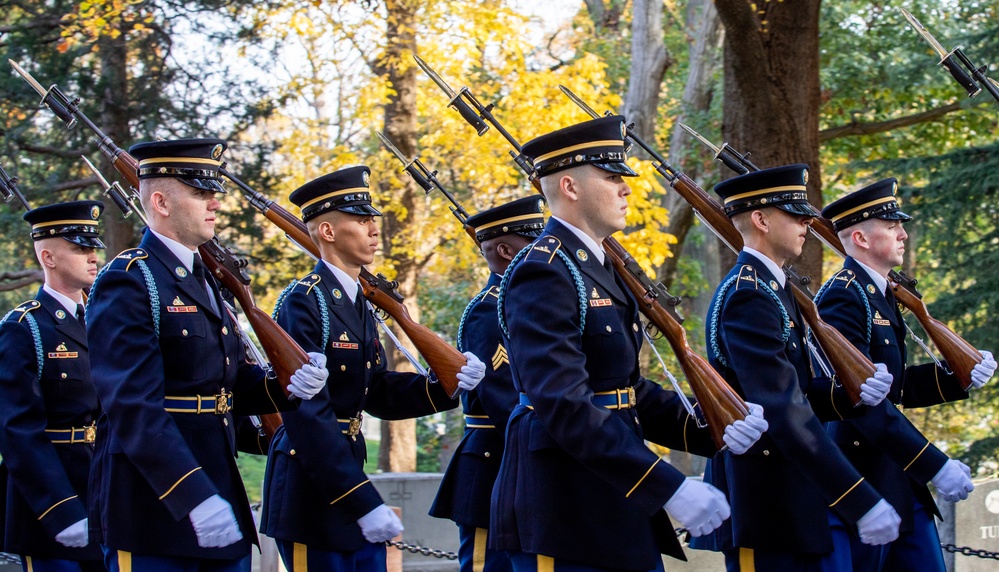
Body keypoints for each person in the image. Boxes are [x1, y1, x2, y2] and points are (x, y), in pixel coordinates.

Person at [490, 116, 768, 572]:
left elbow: (625, 390)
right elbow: (562, 403)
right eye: (612, 177)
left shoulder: (598, 267)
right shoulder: (544, 269)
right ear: (570, 187)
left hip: (615, 495)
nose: (625, 189)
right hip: (565, 507)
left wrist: (712, 425)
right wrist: (667, 486)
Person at [86, 138, 329, 571]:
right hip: (155, 506)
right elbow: (130, 405)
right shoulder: (128, 279)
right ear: (159, 201)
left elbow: (227, 384)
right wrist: (191, 494)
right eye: (200, 192)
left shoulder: (209, 282)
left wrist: (287, 385)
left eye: (214, 191)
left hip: (219, 489)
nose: (215, 202)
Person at [690, 164, 917, 571]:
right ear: (760, 219)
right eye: (795, 214)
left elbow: (802, 389)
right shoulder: (749, 294)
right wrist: (857, 498)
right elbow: (780, 404)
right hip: (763, 499)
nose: (807, 222)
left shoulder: (773, 289)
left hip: (792, 495)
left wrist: (850, 394)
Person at [259, 165, 486, 572]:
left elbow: (376, 391)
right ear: (327, 232)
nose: (373, 230)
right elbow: (306, 414)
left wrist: (443, 387)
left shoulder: (358, 301)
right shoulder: (304, 301)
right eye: (361, 221)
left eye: (372, 220)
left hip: (349, 475)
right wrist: (359, 499)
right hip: (312, 491)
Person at [816, 178, 997, 571]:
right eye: (892, 226)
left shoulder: (880, 292)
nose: (903, 233)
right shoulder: (844, 294)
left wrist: (956, 376)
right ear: (861, 239)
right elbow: (859, 400)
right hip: (864, 480)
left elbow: (893, 386)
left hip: (898, 475)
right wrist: (933, 463)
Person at [429, 196, 546, 572]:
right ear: (505, 250)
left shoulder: (530, 302)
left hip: (522, 461)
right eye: (534, 242)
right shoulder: (489, 307)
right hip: (492, 464)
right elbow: (500, 396)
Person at [0, 200, 107, 571]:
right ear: (49, 257)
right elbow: (18, 430)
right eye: (80, 248)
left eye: (93, 247)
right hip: (51, 508)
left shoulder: (105, 320)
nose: (92, 256)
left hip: (104, 494)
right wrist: (59, 509)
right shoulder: (24, 327)